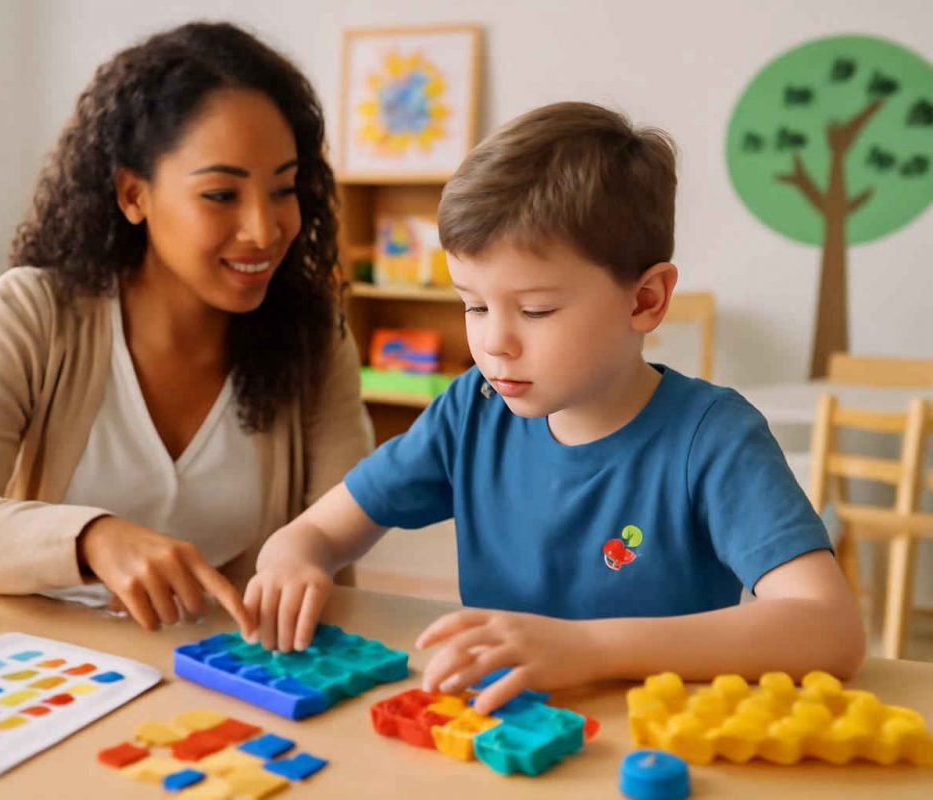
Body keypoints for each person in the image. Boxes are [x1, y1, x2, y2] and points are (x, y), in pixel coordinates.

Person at [244, 102, 865, 714]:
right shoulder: (471, 409)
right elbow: (322, 530)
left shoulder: (713, 438)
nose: (493, 343)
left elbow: (829, 629)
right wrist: (292, 555)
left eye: (535, 310)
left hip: (651, 752)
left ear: (645, 300)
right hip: (504, 735)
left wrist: (590, 646)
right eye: (474, 305)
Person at [0, 22, 371, 634]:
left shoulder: (313, 339)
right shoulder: (34, 315)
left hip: (227, 674)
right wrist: (91, 539)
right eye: (221, 195)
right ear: (134, 194)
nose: (265, 230)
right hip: (47, 669)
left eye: (284, 189)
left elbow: (335, 554)